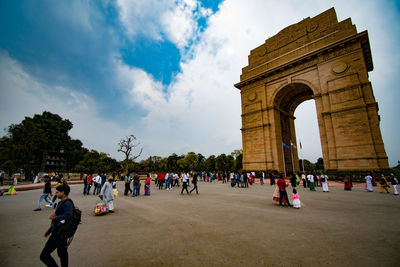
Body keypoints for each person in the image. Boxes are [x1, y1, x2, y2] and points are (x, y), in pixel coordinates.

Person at [40, 184, 74, 267]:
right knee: (62, 253)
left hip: (59, 232)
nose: (56, 194)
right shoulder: (63, 202)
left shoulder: (67, 203)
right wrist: (49, 230)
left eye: (57, 192)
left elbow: (68, 215)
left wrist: (55, 217)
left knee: (44, 255)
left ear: (63, 192)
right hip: (60, 231)